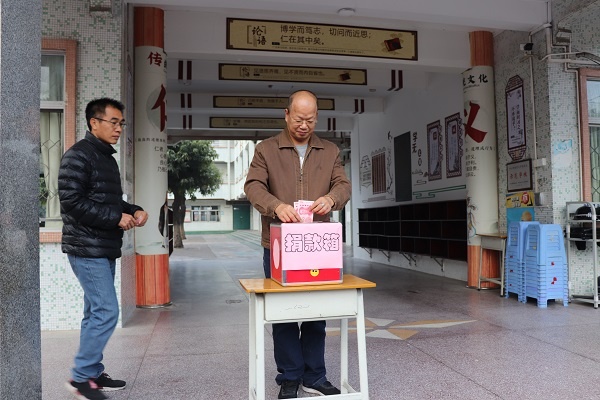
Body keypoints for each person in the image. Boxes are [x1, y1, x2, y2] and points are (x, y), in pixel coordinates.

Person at [244, 90, 351, 399]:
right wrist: (275, 206)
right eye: (299, 119)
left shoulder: (330, 150)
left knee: (317, 313)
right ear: (287, 114)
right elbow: (253, 186)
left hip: (318, 245)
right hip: (278, 246)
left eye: (311, 119)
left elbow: (343, 185)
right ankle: (290, 375)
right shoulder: (266, 149)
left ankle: (315, 376)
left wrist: (331, 198)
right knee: (284, 313)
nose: (304, 125)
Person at [58, 97, 148, 400]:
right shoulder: (78, 156)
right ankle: (81, 378)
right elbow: (71, 202)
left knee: (94, 312)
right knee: (107, 311)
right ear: (94, 122)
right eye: (113, 122)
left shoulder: (105, 158)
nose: (119, 128)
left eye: (121, 123)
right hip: (86, 247)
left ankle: (93, 373)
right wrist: (115, 217)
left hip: (102, 246)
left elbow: (109, 201)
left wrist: (133, 209)